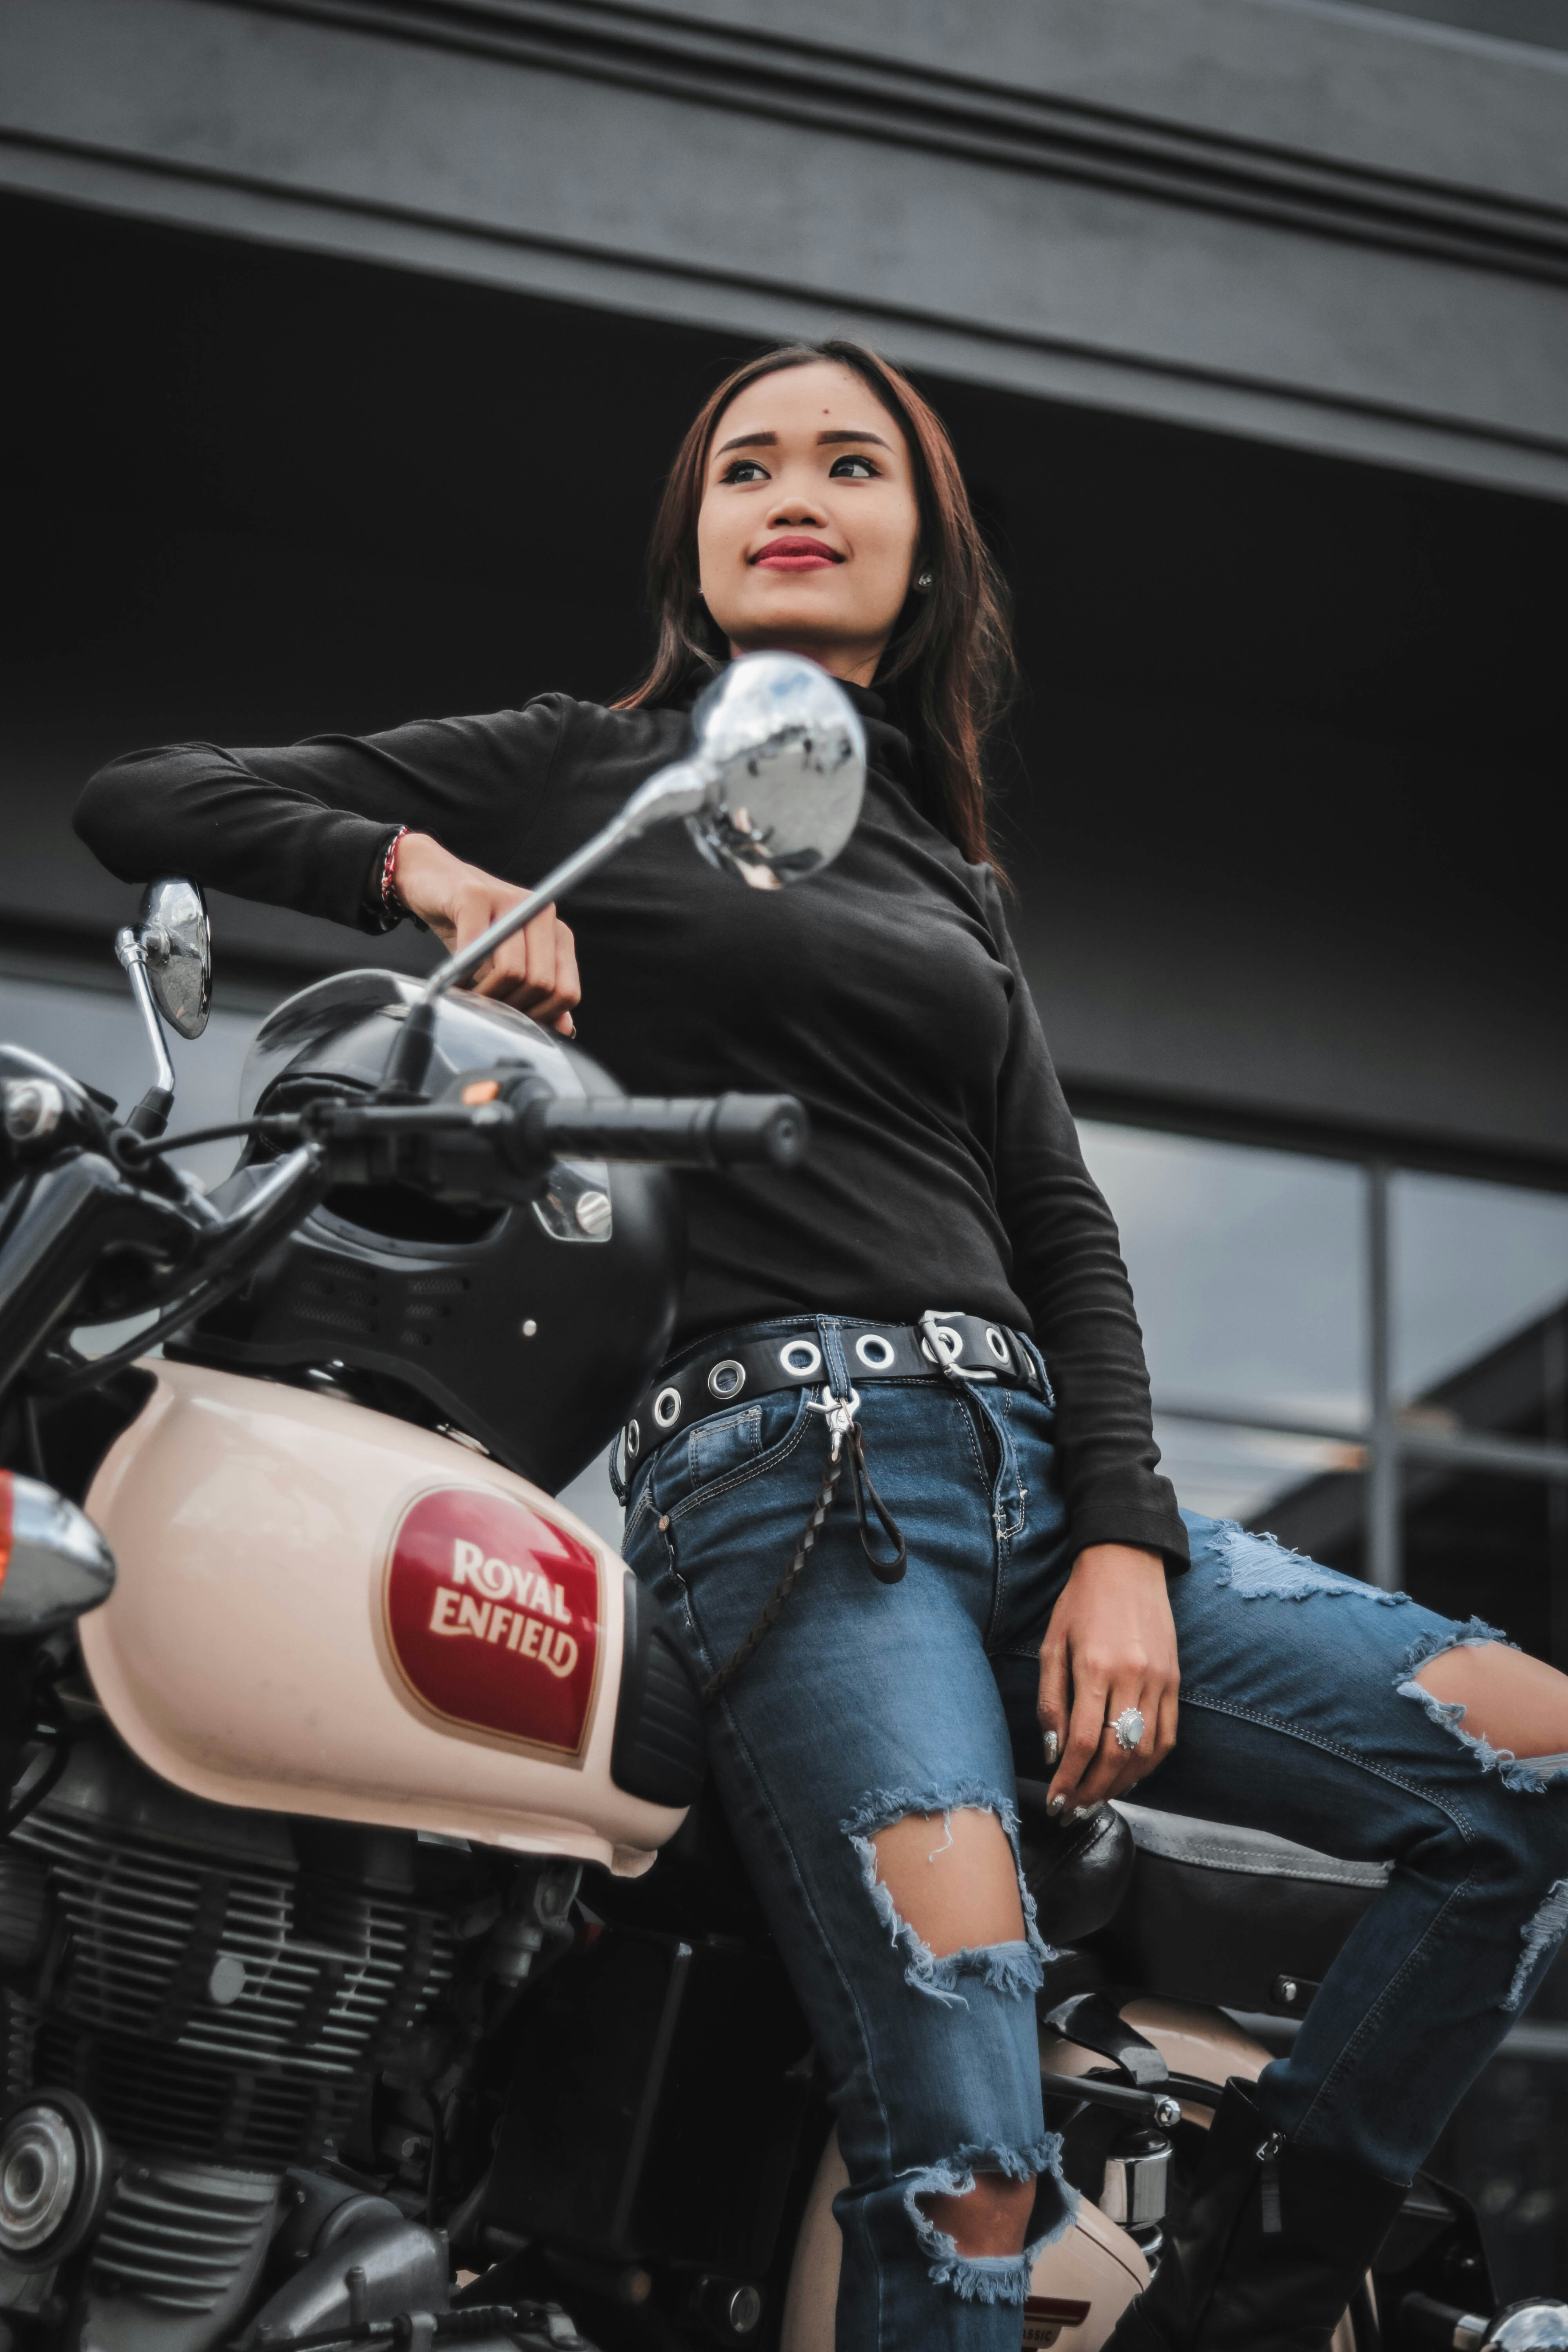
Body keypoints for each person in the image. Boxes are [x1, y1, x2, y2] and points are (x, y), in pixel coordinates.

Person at [76, 339, 1568, 2351]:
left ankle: (1266, 2295)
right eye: (745, 466)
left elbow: (1058, 1224)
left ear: (923, 556)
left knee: (1526, 1774)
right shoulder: (592, 771)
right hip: (797, 1497)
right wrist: (418, 868)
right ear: (694, 551)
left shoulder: (952, 877)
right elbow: (143, 791)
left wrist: (1123, 1535)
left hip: (1040, 1479)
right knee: (955, 2135)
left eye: (849, 465)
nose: (793, 490)